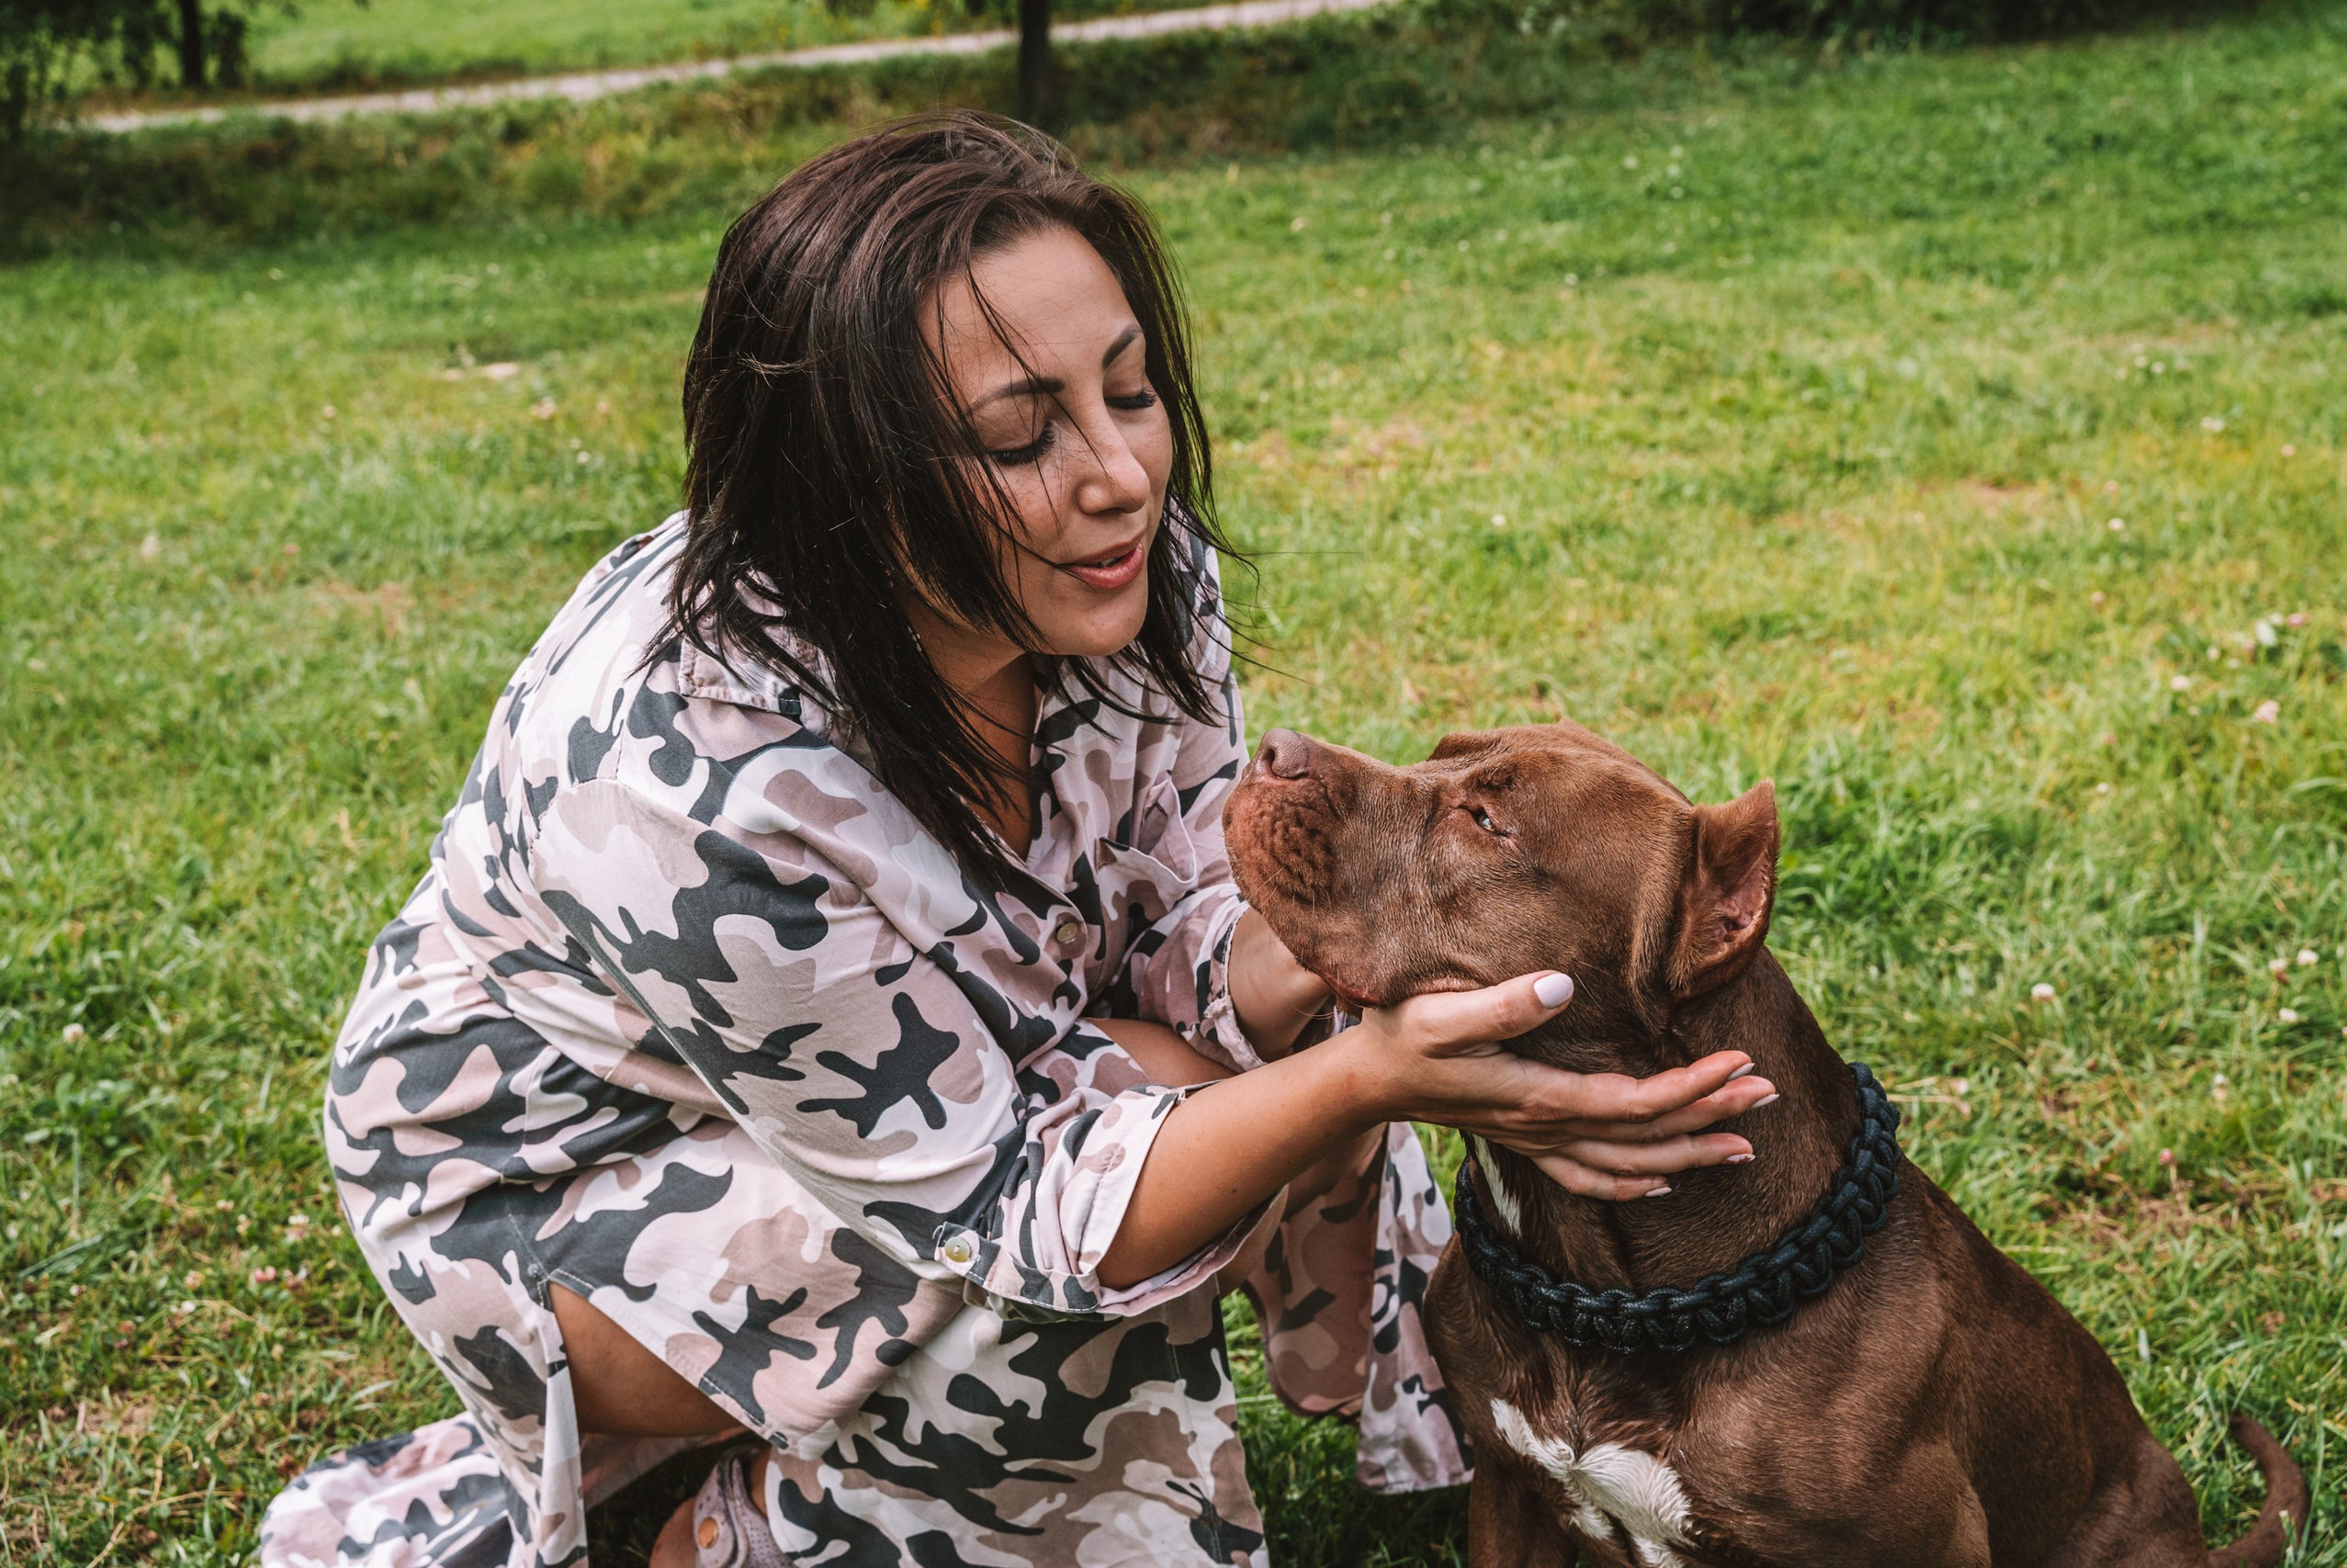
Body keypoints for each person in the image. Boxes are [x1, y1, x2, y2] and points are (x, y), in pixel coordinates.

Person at [258, 111, 1775, 1568]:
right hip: (562, 1202)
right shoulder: (687, 794)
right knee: (1154, 1129)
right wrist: (1368, 1079)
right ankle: (754, 1531)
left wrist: (1364, 966)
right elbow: (1010, 1205)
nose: (1118, 473)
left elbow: (1191, 910)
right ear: (841, 477)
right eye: (1018, 433)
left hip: (929, 1091)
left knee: (1222, 1058)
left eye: (1130, 389)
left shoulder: (1115, 561)